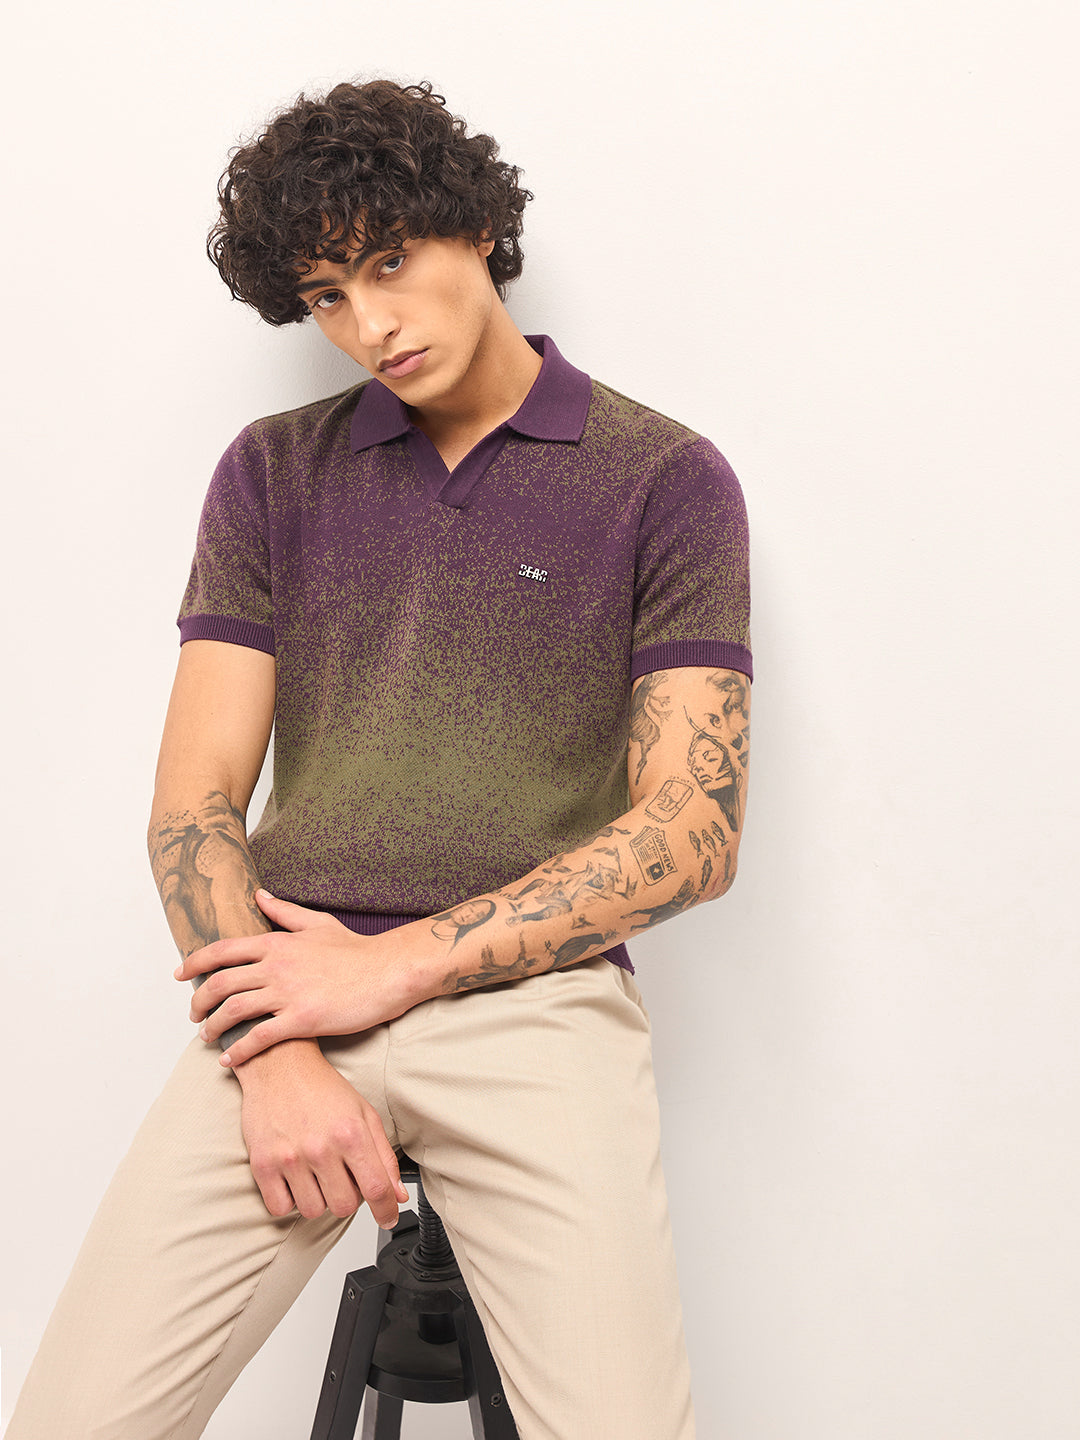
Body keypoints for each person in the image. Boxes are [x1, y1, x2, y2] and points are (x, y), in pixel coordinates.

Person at [8, 78, 752, 1440]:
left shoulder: (663, 477)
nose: (370, 325)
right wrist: (275, 1050)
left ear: (478, 228)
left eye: (390, 263)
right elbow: (194, 802)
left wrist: (397, 964)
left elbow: (691, 833)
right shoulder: (272, 472)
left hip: (538, 1006)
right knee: (75, 1419)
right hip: (286, 995)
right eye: (328, 296)